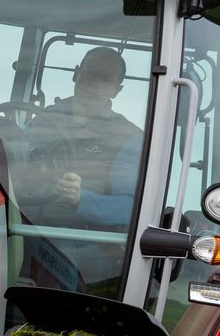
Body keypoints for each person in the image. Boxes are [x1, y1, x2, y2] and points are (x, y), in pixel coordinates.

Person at [26, 46, 142, 228]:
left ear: (116, 90)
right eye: (90, 73)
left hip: (80, 241)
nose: (94, 84)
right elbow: (12, 157)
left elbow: (131, 209)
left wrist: (80, 198)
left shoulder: (128, 138)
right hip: (21, 223)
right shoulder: (41, 119)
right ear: (76, 73)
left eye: (105, 79)